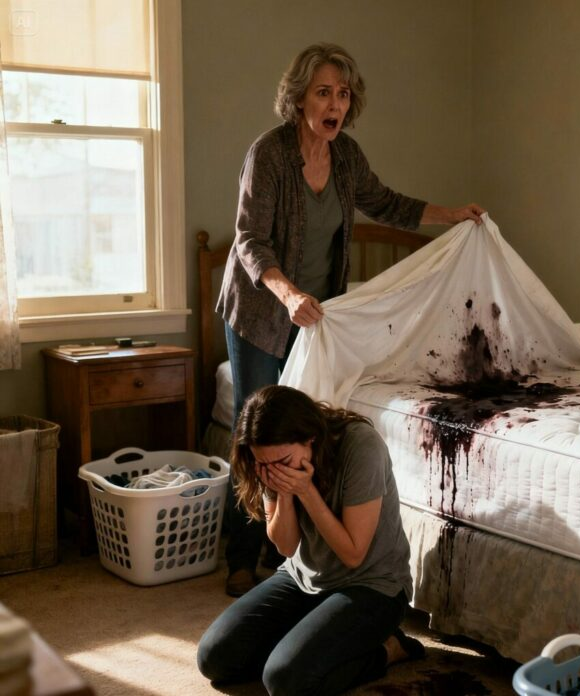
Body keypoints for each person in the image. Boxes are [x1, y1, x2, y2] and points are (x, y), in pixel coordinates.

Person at [216, 41, 485, 596]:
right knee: (257, 428)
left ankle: (290, 550)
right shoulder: (269, 155)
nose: (335, 103)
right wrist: (288, 294)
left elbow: (387, 203)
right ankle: (241, 556)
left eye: (342, 93)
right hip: (263, 311)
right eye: (323, 92)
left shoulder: (346, 158)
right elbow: (249, 240)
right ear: (299, 100)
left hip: (319, 320)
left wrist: (452, 215)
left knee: (300, 429)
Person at [197, 385, 426, 695]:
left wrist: (306, 491)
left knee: (285, 681)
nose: (274, 471)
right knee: (215, 659)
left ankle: (388, 649)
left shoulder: (361, 446)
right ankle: (305, 642)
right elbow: (286, 547)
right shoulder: (268, 458)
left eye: (282, 462)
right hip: (302, 577)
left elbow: (353, 554)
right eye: (263, 465)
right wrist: (284, 492)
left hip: (371, 586)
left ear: (310, 439)